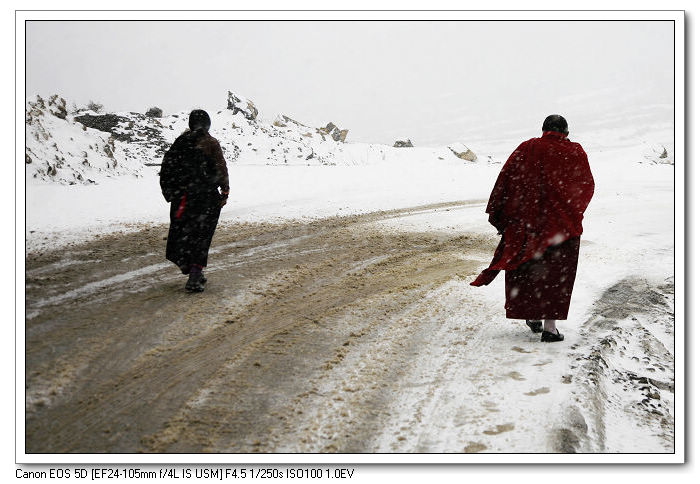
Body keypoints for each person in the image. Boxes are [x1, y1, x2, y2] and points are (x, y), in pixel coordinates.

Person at [471, 115, 594, 342]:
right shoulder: (575, 151)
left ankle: (533, 315)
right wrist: (571, 213)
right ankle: (550, 328)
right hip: (562, 229)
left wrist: (507, 217)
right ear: (566, 132)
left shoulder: (528, 147)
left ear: (543, 130)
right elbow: (586, 185)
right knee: (556, 276)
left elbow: (506, 181)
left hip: (529, 228)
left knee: (531, 272)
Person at [159, 109, 229, 292]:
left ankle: (190, 268)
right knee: (202, 236)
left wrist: (172, 193)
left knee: (184, 234)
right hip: (205, 198)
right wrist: (225, 190)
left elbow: (167, 167)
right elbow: (221, 167)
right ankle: (195, 275)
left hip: (182, 199)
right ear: (207, 124)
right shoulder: (210, 143)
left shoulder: (180, 142)